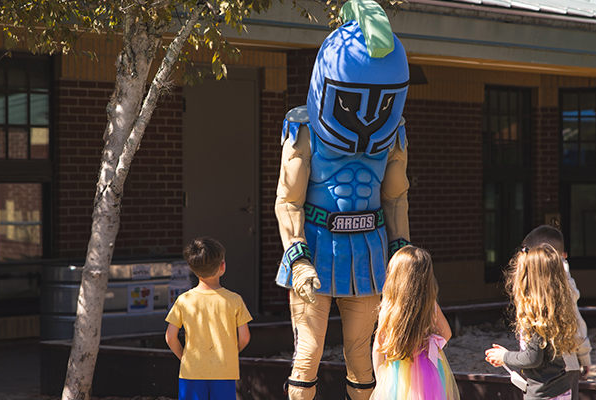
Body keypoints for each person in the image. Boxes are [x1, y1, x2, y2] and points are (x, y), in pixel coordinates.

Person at [273, 0, 412, 398]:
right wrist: (296, 256)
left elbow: (396, 199)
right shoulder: (303, 131)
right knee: (307, 353)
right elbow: (288, 199)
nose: (369, 116)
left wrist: (400, 250)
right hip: (315, 247)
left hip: (369, 251)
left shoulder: (394, 135)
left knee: (362, 355)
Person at [485, 244, 581, 400]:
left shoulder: (536, 314)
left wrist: (505, 356)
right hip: (561, 389)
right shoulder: (552, 307)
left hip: (543, 393)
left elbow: (532, 358)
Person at [164, 237, 253, 400]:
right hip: (225, 371)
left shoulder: (184, 300)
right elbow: (245, 337)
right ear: (223, 266)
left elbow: (170, 337)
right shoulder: (235, 300)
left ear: (192, 268)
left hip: (191, 371)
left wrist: (184, 357)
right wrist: (231, 352)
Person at [370, 246, 459, 400]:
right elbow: (447, 333)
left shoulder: (388, 306)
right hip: (428, 369)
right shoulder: (430, 305)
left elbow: (378, 346)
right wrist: (430, 345)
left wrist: (380, 380)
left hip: (396, 370)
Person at [521, 225, 592, 400]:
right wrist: (584, 356)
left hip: (553, 367)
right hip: (564, 363)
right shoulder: (565, 284)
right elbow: (577, 324)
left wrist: (584, 355)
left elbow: (575, 322)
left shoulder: (546, 288)